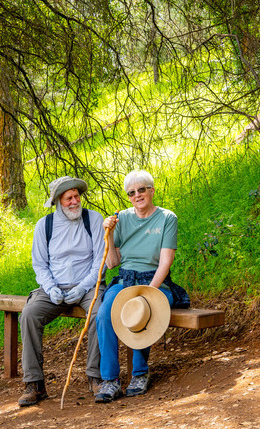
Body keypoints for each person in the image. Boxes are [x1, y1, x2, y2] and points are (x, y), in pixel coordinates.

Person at [95, 170, 190, 403]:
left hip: (155, 281)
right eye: (131, 192)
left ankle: (139, 373)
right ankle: (110, 380)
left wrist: (148, 292)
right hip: (125, 279)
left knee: (145, 309)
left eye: (141, 190)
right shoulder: (122, 219)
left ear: (151, 191)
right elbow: (113, 263)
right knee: (104, 314)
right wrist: (108, 234)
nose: (137, 195)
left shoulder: (167, 218)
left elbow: (166, 262)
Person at [18, 176, 106, 407]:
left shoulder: (94, 220)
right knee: (28, 315)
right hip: (54, 288)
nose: (75, 201)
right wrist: (50, 288)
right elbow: (40, 264)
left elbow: (101, 261)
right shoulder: (44, 225)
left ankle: (95, 377)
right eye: (69, 198)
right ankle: (34, 384)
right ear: (58, 201)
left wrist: (83, 287)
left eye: (77, 196)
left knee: (100, 314)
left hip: (88, 286)